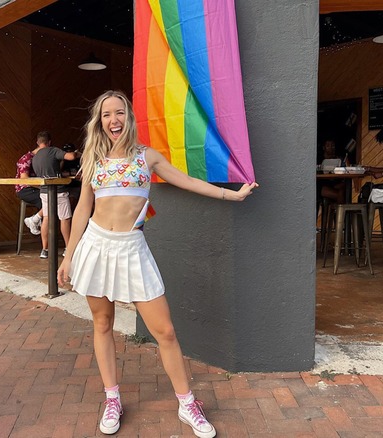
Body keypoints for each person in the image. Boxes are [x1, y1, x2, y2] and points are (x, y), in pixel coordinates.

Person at [57, 90, 258, 437]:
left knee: (165, 331)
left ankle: (187, 403)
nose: (114, 120)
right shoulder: (93, 159)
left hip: (131, 248)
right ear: (99, 122)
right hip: (96, 245)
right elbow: (82, 210)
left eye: (119, 112)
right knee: (102, 324)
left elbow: (187, 181)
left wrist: (232, 194)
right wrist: (68, 255)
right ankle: (112, 399)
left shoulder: (146, 157)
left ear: (129, 117)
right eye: (106, 114)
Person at [31, 131, 79, 259]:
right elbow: (70, 157)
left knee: (46, 218)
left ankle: (44, 249)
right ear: (49, 142)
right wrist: (76, 153)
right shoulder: (53, 150)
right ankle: (68, 249)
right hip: (59, 190)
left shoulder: (35, 157)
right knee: (65, 218)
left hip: (44, 191)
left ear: (38, 142)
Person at [15, 139, 43, 236]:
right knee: (48, 198)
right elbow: (24, 179)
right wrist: (41, 186)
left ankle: (37, 219)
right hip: (24, 189)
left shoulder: (40, 159)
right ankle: (35, 220)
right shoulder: (27, 158)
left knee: (55, 197)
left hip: (36, 188)